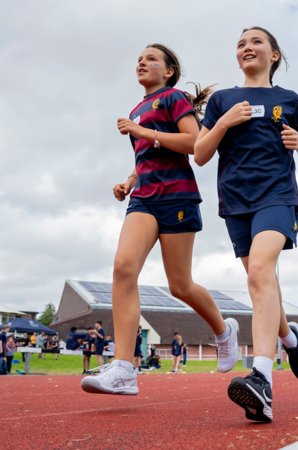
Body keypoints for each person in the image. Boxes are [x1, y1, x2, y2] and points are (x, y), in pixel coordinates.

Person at [81, 43, 241, 396]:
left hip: (177, 196)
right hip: (143, 198)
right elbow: (146, 159)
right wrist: (129, 181)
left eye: (151, 59)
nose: (142, 62)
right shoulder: (137, 108)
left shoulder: (173, 99)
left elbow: (194, 143)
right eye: (139, 58)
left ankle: (223, 331)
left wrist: (144, 132)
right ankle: (124, 368)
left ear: (168, 71)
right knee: (123, 267)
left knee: (179, 285)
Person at [194, 26, 298, 423]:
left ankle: (261, 377)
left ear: (274, 55)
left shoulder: (289, 99)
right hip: (236, 203)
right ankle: (290, 339)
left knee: (262, 271)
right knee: (261, 281)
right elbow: (200, 154)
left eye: (256, 41)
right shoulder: (223, 100)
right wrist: (223, 122)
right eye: (241, 44)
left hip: (278, 196)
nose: (247, 47)